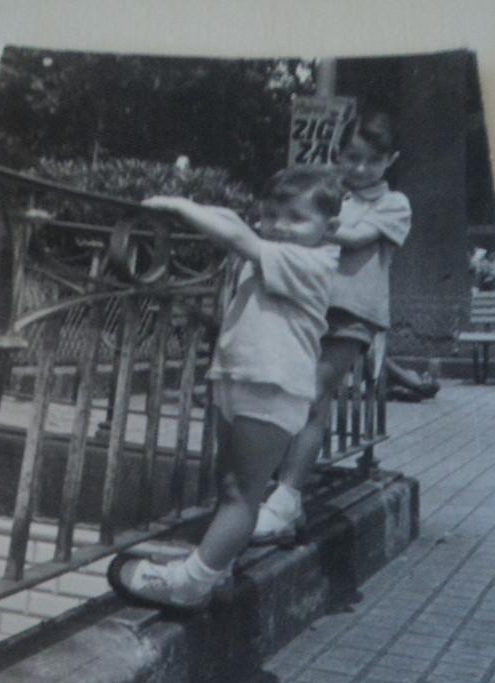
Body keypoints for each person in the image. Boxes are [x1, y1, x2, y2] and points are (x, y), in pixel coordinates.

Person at [107, 166, 344, 610]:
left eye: (295, 218)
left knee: (242, 492)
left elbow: (240, 237)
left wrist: (181, 207)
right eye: (271, 215)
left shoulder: (313, 262)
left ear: (328, 229)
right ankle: (217, 565)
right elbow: (239, 225)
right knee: (230, 484)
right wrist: (192, 205)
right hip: (240, 379)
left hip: (272, 386)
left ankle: (190, 583)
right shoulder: (274, 249)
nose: (278, 227)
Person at [252, 111, 414, 544]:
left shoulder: (394, 204)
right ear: (338, 155)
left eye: (372, 160)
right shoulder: (327, 193)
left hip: (353, 315)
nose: (360, 169)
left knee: (310, 394)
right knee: (296, 397)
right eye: (351, 157)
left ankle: (286, 497)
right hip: (308, 305)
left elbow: (357, 238)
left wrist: (301, 228)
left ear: (390, 160)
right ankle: (284, 494)